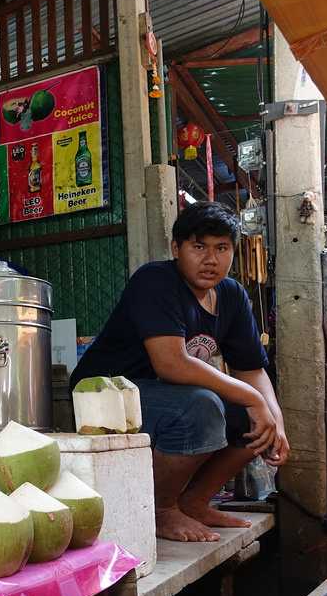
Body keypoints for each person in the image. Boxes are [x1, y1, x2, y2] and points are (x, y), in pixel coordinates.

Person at [70, 201, 289, 542]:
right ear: (177, 248)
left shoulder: (232, 295)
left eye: (222, 248)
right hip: (103, 393)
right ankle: (160, 510)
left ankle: (195, 501)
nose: (210, 259)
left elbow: (251, 368)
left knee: (255, 421)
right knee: (199, 407)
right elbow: (171, 364)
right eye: (198, 247)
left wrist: (274, 419)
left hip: (160, 397)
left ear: (234, 251)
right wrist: (252, 397)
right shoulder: (155, 280)